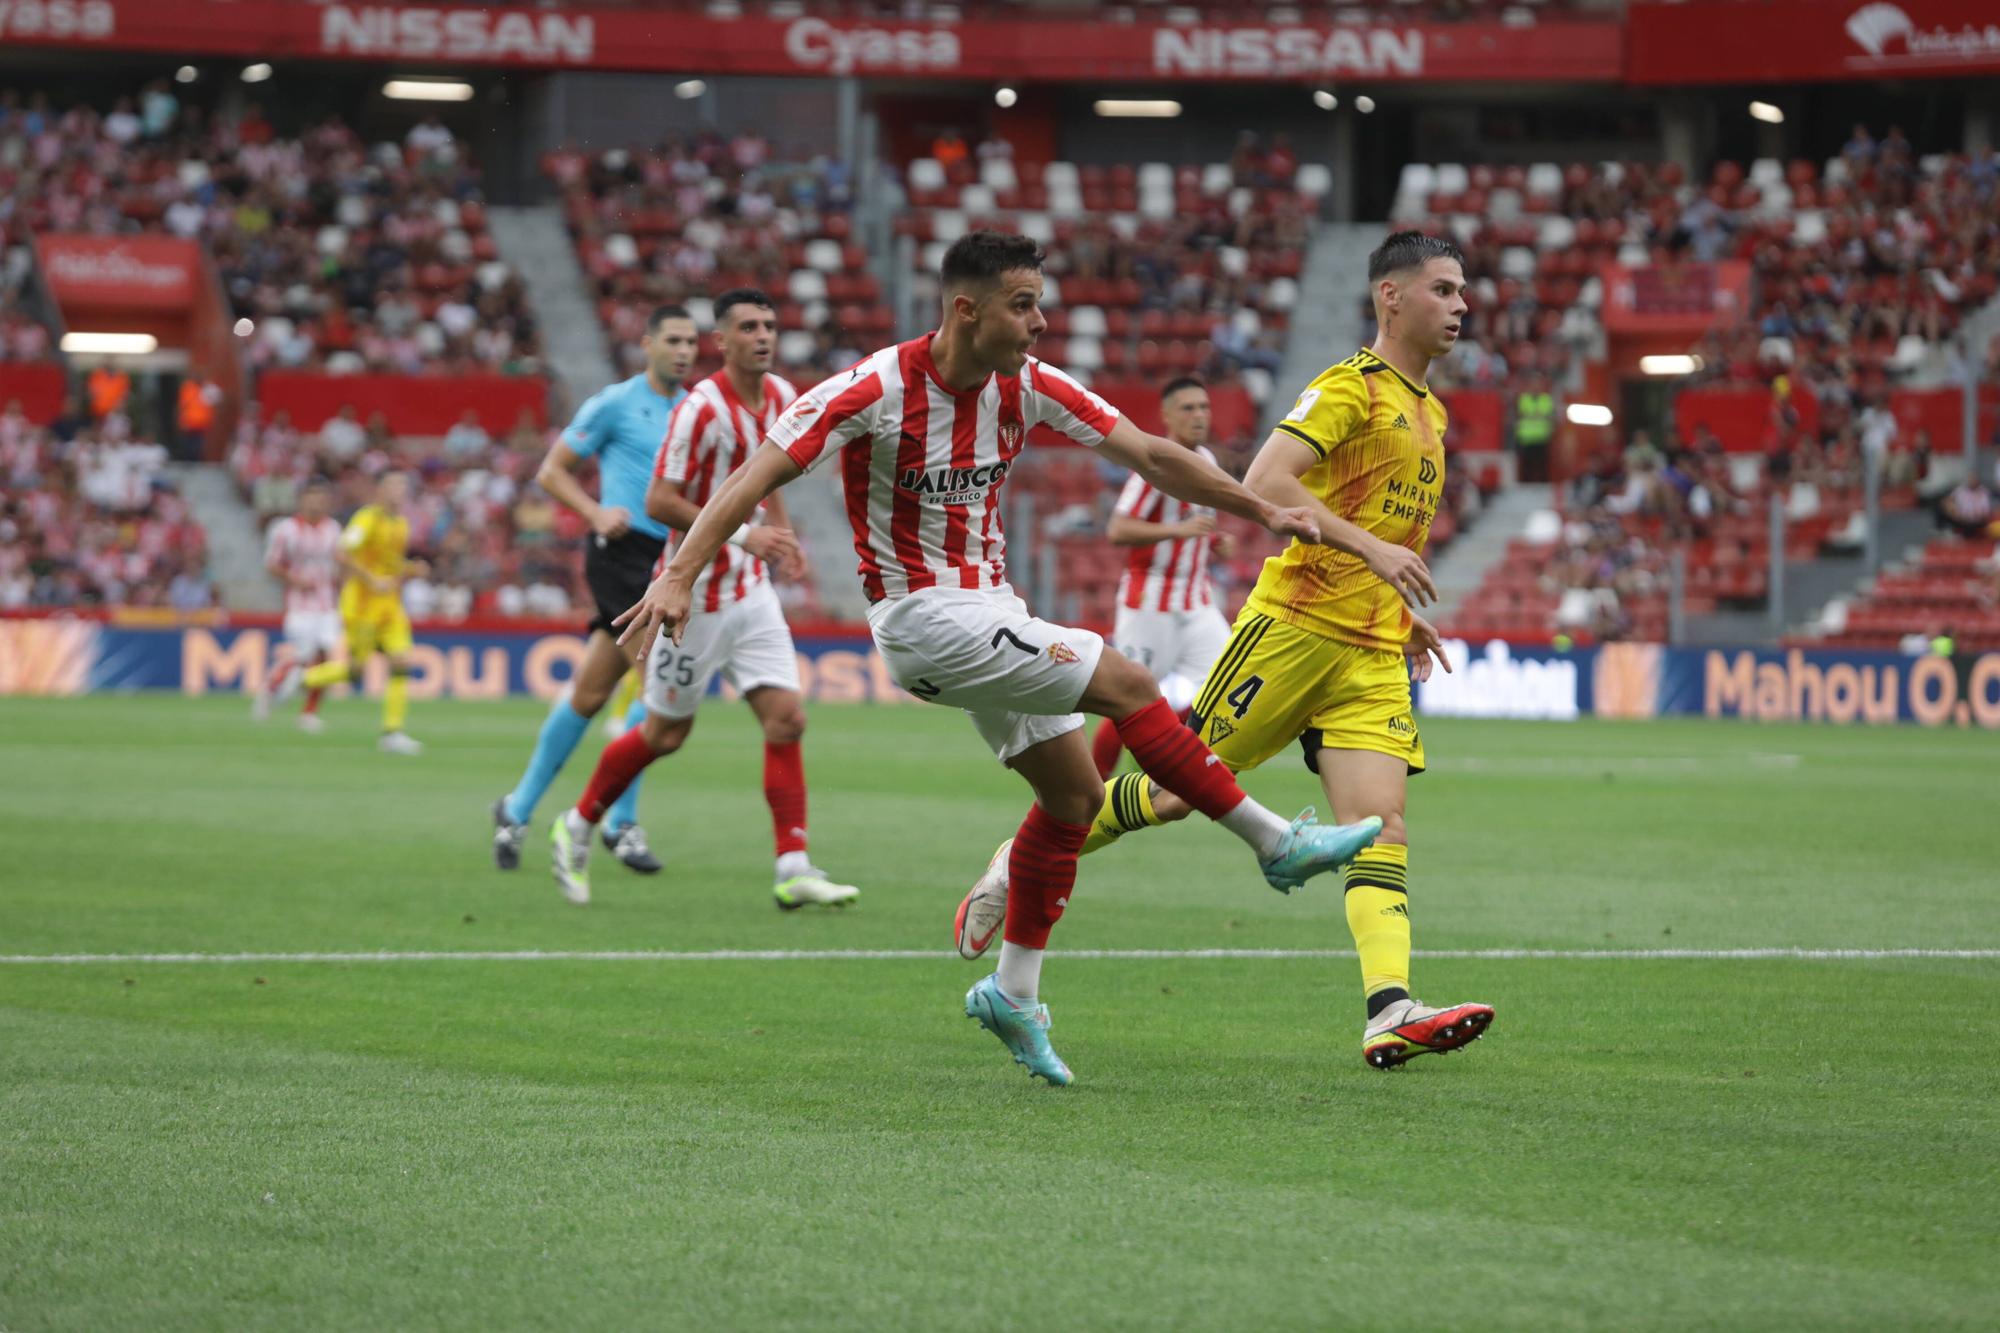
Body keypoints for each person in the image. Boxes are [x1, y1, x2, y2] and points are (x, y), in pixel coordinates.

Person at [615, 232, 1382, 1086]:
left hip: (993, 609)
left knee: (1075, 795)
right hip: (919, 616)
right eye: (1023, 305)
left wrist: (1258, 509)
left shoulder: (1031, 385)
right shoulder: (873, 388)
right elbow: (751, 478)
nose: (1040, 322)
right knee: (1128, 682)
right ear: (965, 309)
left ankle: (1013, 991)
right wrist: (679, 573)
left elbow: (1154, 455)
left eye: (1039, 303)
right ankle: (1275, 841)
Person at [957, 231, 1496, 1073]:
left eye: (1463, 291)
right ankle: (1016, 858)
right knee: (1175, 797)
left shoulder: (1432, 410)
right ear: (1391, 297)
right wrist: (1373, 555)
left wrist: (1397, 598)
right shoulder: (1349, 388)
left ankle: (1390, 1008)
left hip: (1370, 651)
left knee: (1379, 823)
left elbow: (1386, 525)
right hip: (1294, 630)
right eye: (1444, 288)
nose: (1461, 305)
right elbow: (1270, 481)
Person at [548, 289, 856, 910]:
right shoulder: (701, 410)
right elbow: (659, 500)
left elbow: (774, 473)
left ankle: (793, 866)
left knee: (787, 719)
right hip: (693, 595)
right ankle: (578, 822)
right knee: (664, 735)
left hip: (750, 594)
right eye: (748, 327)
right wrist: (748, 534)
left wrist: (781, 532)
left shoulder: (779, 396)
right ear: (722, 341)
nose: (763, 335)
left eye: (770, 324)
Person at [489, 306, 698, 874]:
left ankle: (515, 807)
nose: (683, 351)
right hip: (621, 552)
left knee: (589, 693)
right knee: (657, 686)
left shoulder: (698, 411)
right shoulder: (615, 403)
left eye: (691, 342)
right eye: (673, 340)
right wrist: (594, 511)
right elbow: (553, 470)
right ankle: (620, 822)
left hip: (669, 559)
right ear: (648, 343)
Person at [1089, 376, 1236, 778]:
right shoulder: (1153, 464)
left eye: (1204, 407)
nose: (1199, 416)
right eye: (1188, 408)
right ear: (1167, 415)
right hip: (1150, 601)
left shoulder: (1206, 460)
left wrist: (1214, 541)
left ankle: (1168, 767)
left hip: (1196, 600)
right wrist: (1178, 532)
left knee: (1224, 684)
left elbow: (1194, 524)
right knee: (1125, 700)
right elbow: (1118, 529)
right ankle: (1088, 792)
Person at [299, 470, 428, 754]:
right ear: (380, 490)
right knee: (355, 672)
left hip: (390, 607)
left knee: (402, 661)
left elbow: (389, 564)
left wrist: (410, 569)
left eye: (403, 484)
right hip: (362, 607)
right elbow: (342, 552)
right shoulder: (367, 519)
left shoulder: (402, 524)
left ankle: (392, 732)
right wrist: (371, 580)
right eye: (393, 484)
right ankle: (302, 679)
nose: (400, 490)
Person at [251, 478, 343, 732]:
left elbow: (340, 562)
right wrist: (294, 579)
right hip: (299, 606)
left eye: (322, 498)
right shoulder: (286, 529)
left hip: (328, 605)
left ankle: (309, 713)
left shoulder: (333, 529)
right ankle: (270, 690)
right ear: (302, 500)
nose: (318, 502)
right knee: (301, 657)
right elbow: (271, 563)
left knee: (324, 658)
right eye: (313, 497)